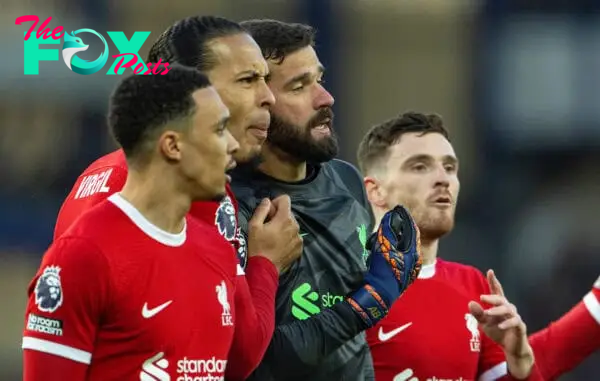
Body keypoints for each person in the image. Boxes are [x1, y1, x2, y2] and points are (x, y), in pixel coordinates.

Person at [51, 16, 303, 381]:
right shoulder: (184, 191)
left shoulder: (99, 173)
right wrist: (267, 263)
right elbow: (239, 352)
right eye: (248, 80)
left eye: (265, 79)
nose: (268, 96)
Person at [231, 19, 421, 381]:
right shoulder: (232, 208)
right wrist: (372, 300)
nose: (325, 98)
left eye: (319, 79)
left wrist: (390, 274)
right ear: (258, 102)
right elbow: (251, 360)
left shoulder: (346, 180)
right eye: (299, 86)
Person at [23, 66, 240, 380]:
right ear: (173, 146)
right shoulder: (83, 255)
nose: (233, 145)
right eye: (220, 130)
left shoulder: (217, 252)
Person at [357, 111, 600, 380]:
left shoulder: (472, 285)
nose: (443, 179)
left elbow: (507, 375)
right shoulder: (343, 279)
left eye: (449, 167)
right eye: (420, 167)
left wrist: (521, 358)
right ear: (376, 191)